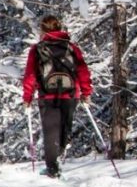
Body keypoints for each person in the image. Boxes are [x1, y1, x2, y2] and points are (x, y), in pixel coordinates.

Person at [22, 15, 92, 178]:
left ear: (42, 30)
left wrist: (27, 97)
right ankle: (58, 157)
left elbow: (30, 75)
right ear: (60, 28)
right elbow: (82, 70)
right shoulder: (72, 48)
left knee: (50, 130)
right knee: (64, 129)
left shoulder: (37, 49)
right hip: (70, 95)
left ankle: (53, 167)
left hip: (47, 95)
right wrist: (86, 92)